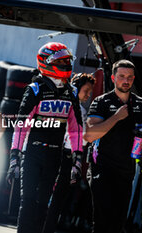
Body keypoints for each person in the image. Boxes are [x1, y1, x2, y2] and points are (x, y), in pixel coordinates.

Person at [6, 42, 83, 233]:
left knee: (43, 205)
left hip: (55, 155)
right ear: (47, 63)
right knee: (28, 201)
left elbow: (76, 128)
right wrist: (14, 156)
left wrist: (78, 158)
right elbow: (21, 125)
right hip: (33, 153)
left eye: (67, 61)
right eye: (62, 61)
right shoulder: (34, 89)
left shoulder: (72, 91)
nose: (66, 64)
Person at [84, 59, 142, 233]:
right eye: (122, 76)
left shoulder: (140, 104)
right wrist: (116, 117)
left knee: (117, 223)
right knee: (102, 222)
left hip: (126, 171)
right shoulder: (101, 102)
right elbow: (89, 135)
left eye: (130, 77)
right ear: (114, 78)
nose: (126, 80)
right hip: (102, 168)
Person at [42, 72, 96, 233]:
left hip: (49, 154)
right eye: (86, 90)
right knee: (56, 201)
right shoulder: (78, 110)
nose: (88, 95)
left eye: (90, 92)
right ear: (76, 88)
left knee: (48, 199)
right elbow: (84, 139)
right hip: (65, 158)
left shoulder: (59, 103)